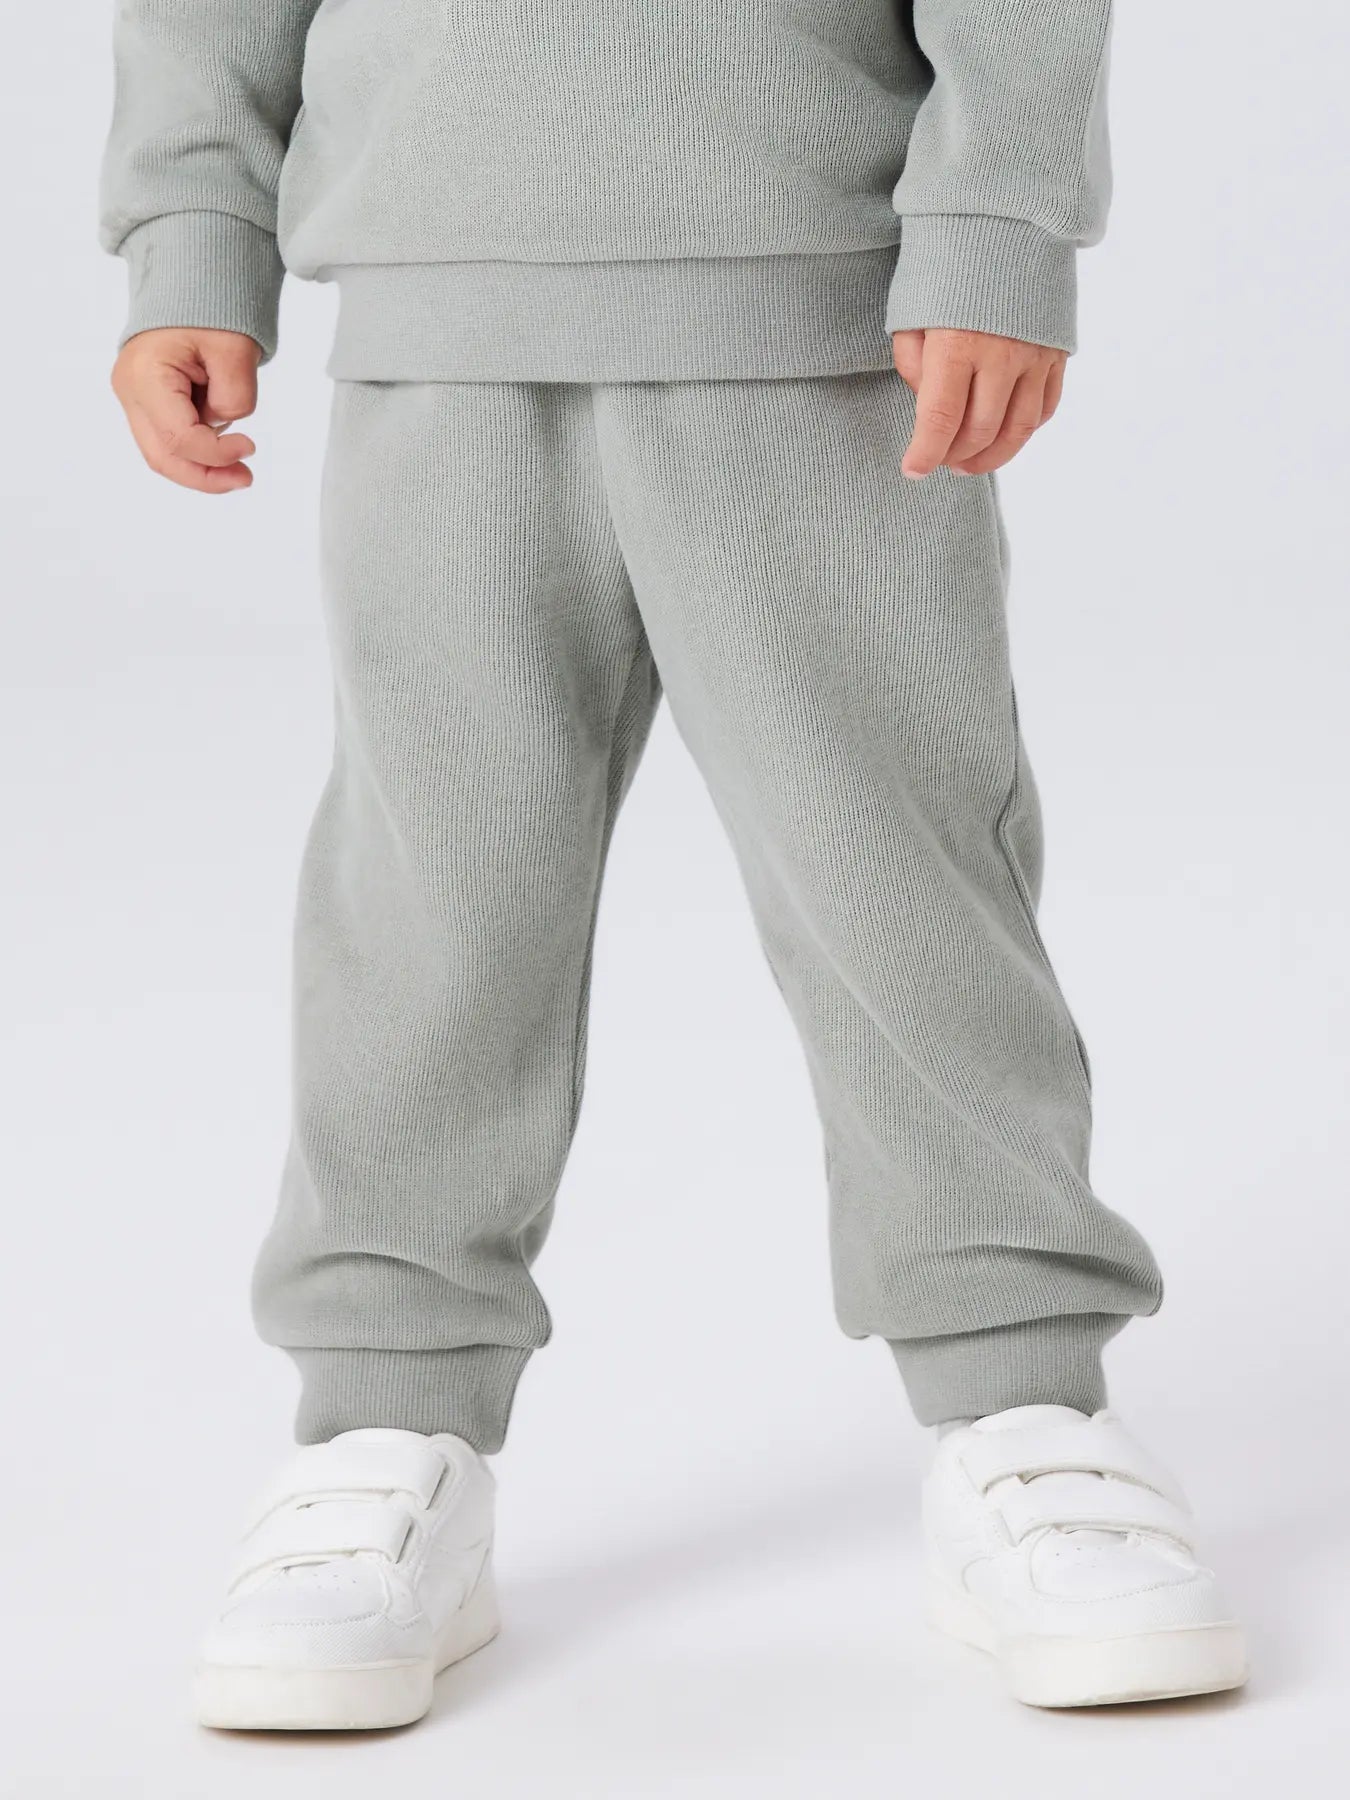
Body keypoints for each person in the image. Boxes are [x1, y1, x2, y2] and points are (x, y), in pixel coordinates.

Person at [101, 1, 1246, 1730]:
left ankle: (1021, 1402)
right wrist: (192, 222)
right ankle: (386, 1421)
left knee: (899, 885)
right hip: (434, 296)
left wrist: (999, 217)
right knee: (426, 908)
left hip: (821, 300)